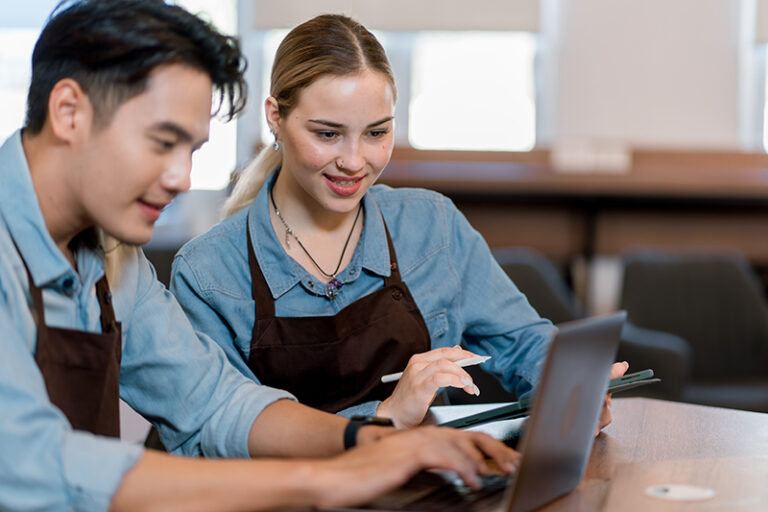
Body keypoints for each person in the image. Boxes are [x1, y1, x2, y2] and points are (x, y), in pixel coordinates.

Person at [0, 2, 521, 511]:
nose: (182, 178)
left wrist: (372, 442)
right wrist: (327, 479)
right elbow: (34, 461)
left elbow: (215, 402)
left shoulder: (113, 260)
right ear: (68, 112)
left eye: (193, 151)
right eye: (162, 142)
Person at [170, 13, 628, 430]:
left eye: (377, 132)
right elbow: (218, 430)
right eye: (327, 134)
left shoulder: (431, 225)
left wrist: (571, 387)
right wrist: (384, 415)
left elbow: (522, 343)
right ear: (275, 117)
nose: (354, 162)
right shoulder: (208, 272)